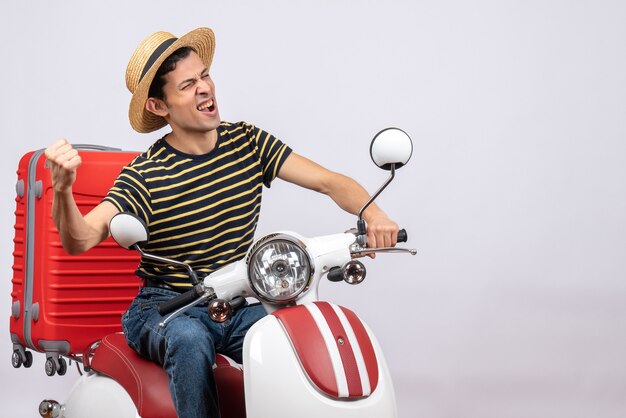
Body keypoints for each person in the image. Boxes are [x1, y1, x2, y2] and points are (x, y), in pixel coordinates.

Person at [45, 27, 399, 418]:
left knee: (295, 332)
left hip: (234, 301)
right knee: (190, 340)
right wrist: (62, 190)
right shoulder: (145, 174)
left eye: (205, 76)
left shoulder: (247, 142)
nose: (204, 89)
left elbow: (330, 181)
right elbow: (80, 238)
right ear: (160, 107)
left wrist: (373, 213)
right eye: (187, 85)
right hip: (167, 309)